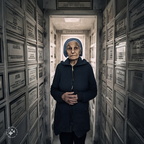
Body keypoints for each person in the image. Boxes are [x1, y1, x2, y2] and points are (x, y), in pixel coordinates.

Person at [50, 38, 97, 144]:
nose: (72, 51)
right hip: (63, 118)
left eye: (76, 48)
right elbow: (53, 90)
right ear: (65, 51)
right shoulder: (60, 67)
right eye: (69, 48)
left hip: (80, 118)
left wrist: (80, 97)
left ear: (80, 50)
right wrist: (62, 96)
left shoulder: (87, 67)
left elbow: (93, 91)